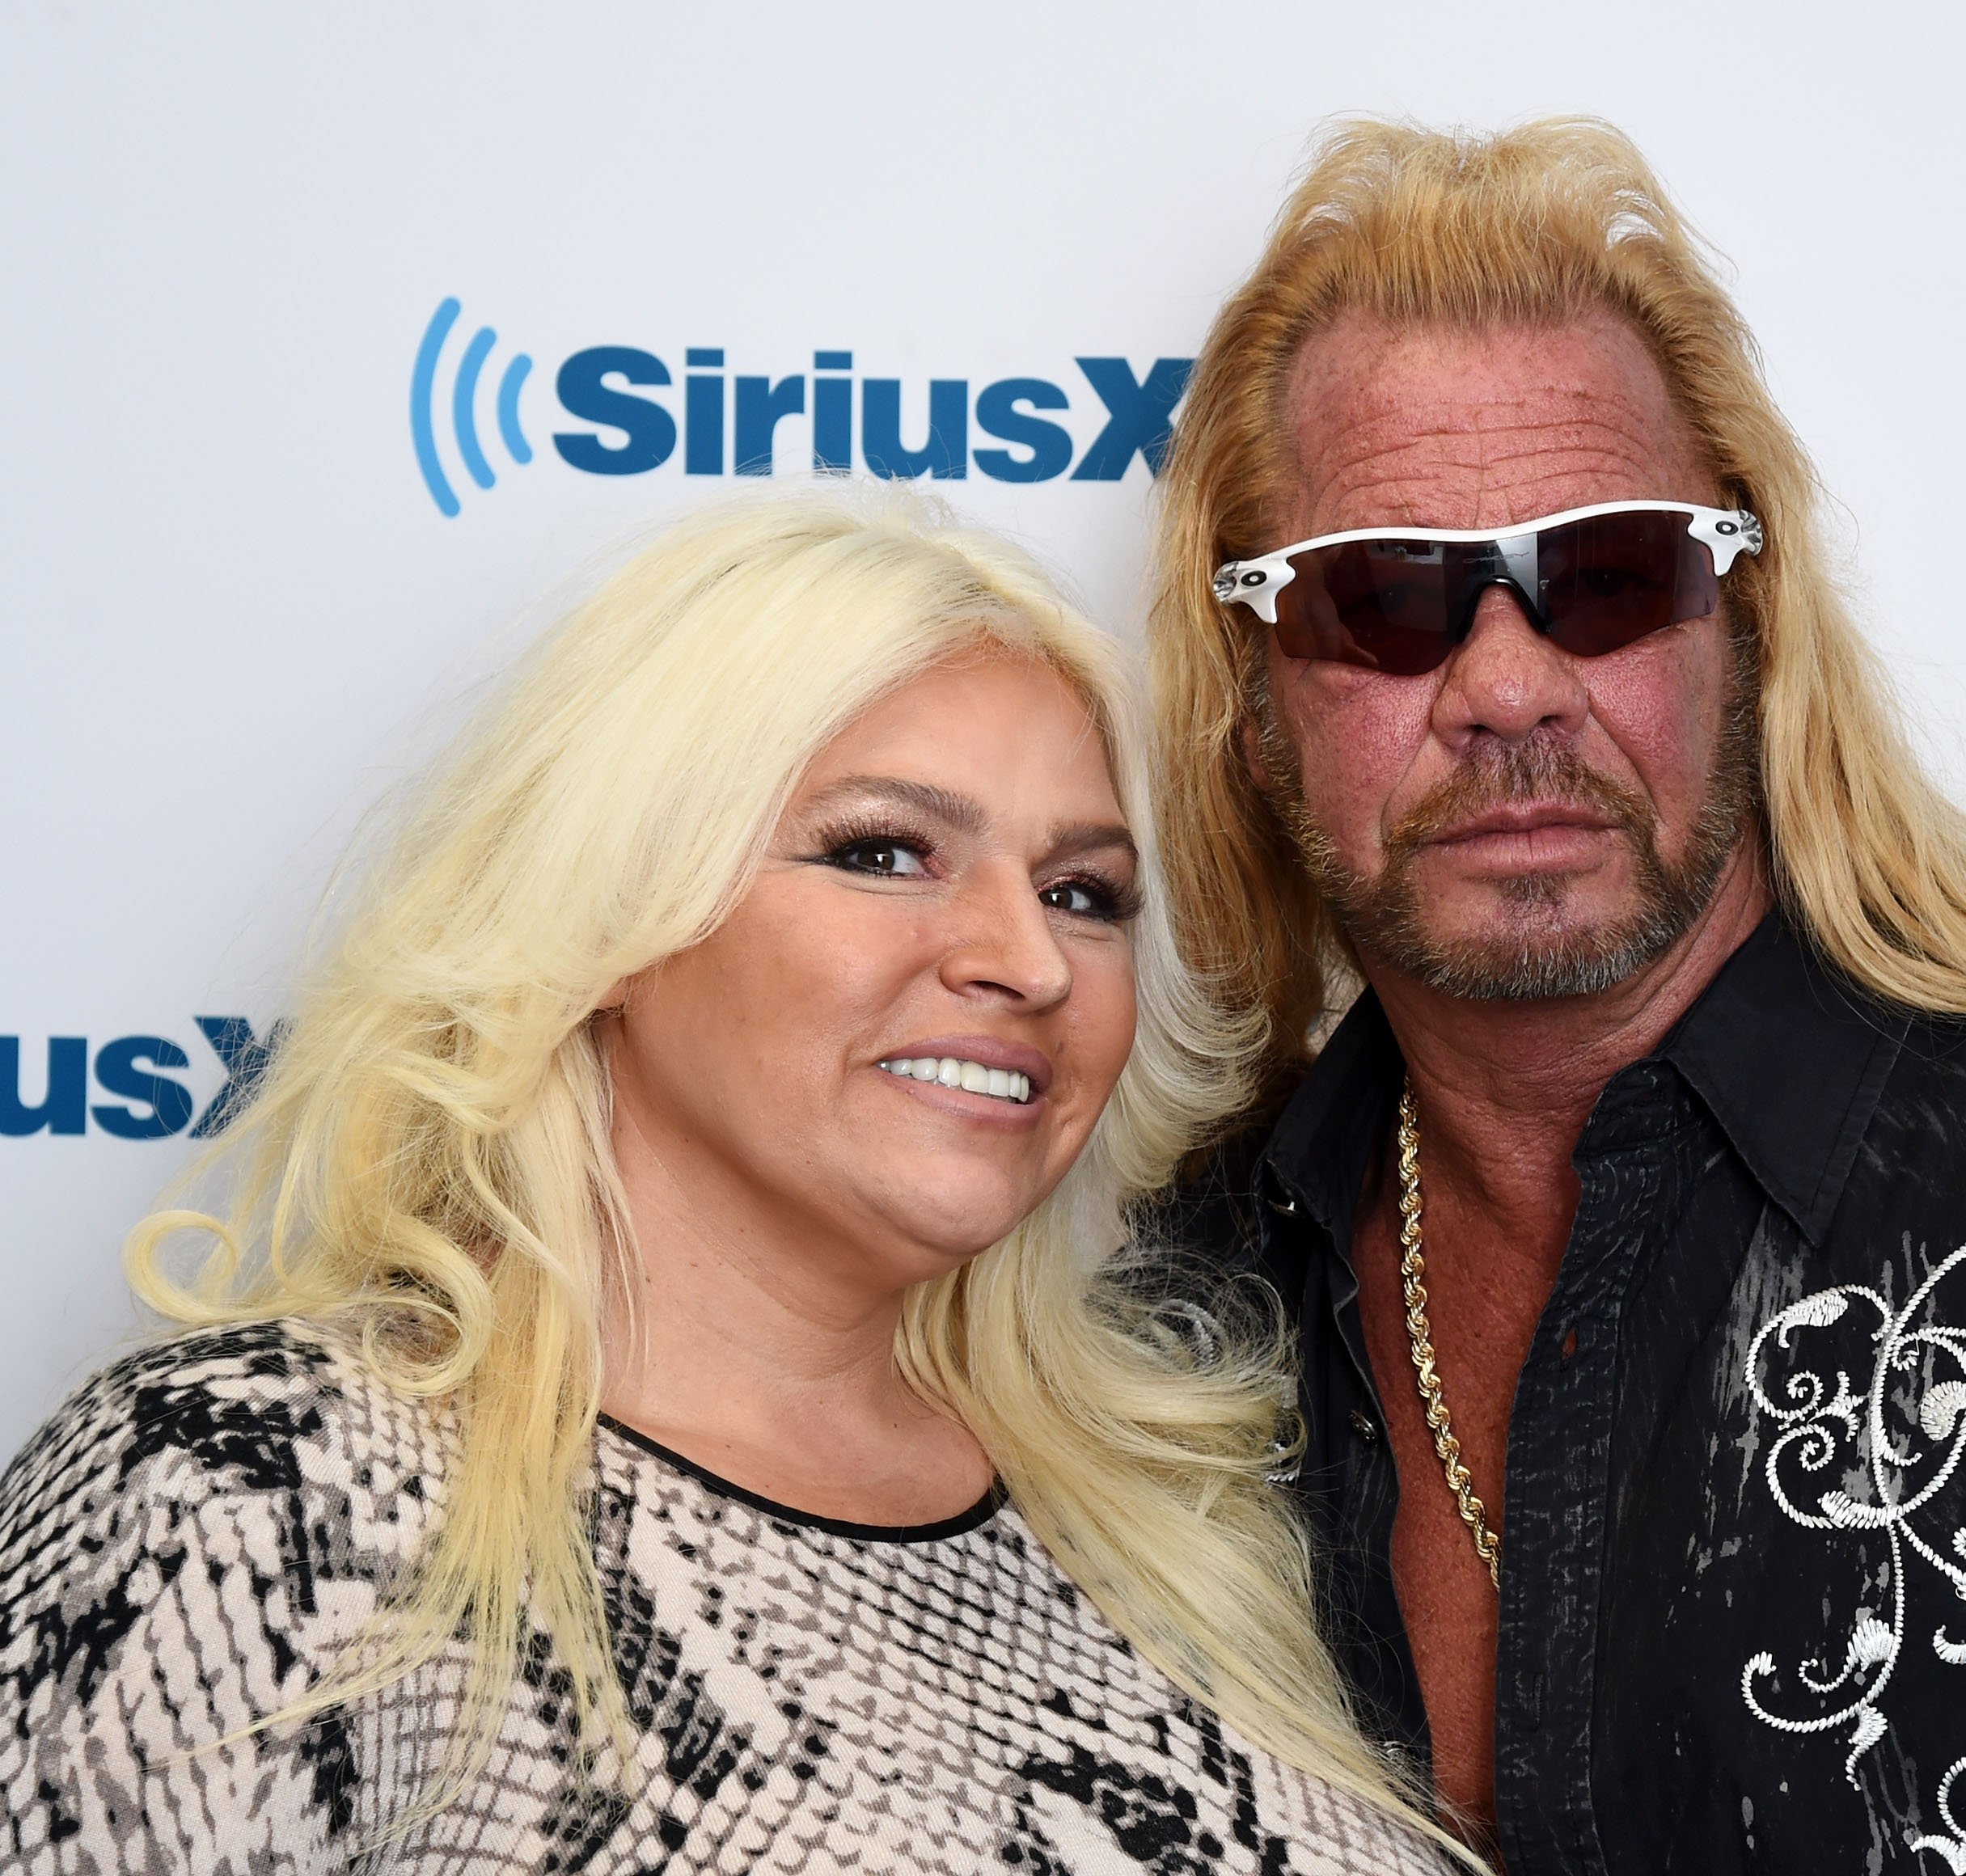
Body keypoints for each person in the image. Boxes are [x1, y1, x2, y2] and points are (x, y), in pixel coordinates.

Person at [1144, 118, 1966, 1874]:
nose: (1508, 687)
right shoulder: (1182, 1308)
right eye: (1389, 599)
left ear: (1744, 623)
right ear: (1252, 693)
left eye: (1605, 575)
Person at [0, 496, 1463, 1874]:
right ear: (619, 908)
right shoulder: (258, 1496)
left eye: (1082, 892)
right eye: (885, 852)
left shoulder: (1166, 1523)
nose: (1026, 959)